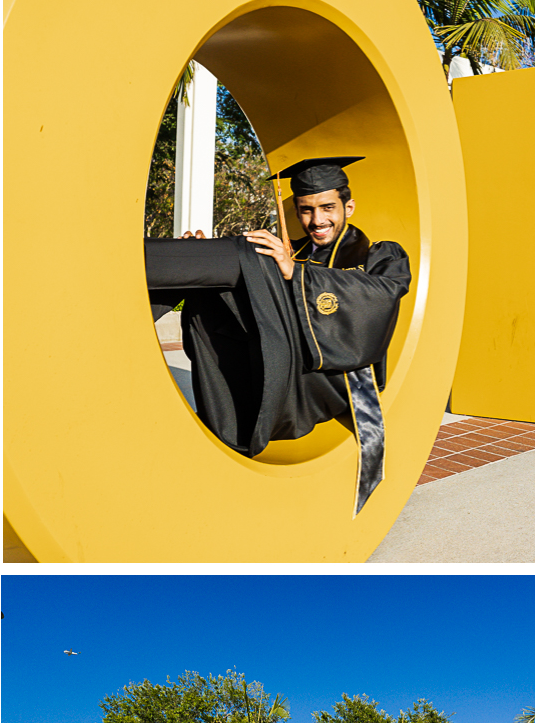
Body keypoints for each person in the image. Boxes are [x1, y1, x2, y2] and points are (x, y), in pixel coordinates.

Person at [145, 157, 411, 515]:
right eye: (306, 210)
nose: (317, 221)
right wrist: (204, 269)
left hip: (328, 378)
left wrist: (295, 273)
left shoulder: (379, 254)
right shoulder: (287, 250)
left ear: (348, 206)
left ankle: (114, 266)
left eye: (328, 208)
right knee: (225, 266)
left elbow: (384, 293)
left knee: (246, 254)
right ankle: (156, 278)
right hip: (273, 357)